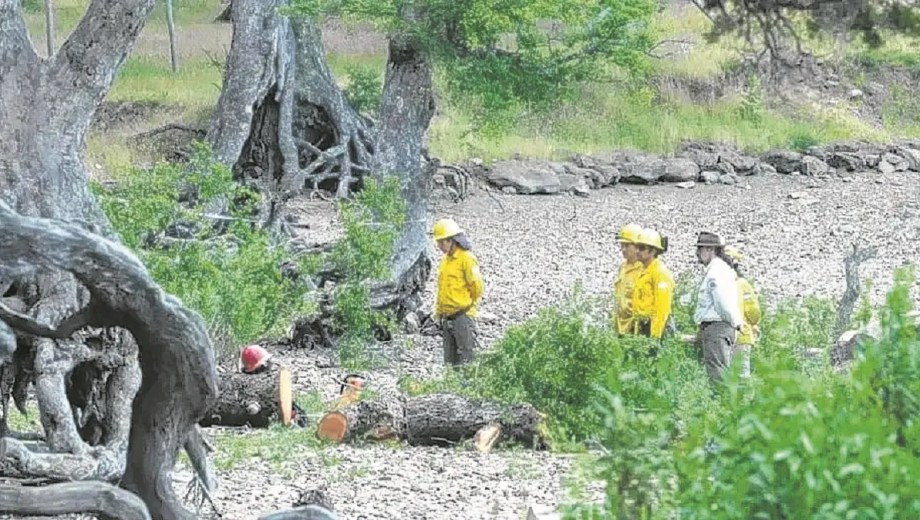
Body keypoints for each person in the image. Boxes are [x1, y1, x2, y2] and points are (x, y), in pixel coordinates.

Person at [431, 217, 485, 366]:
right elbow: (442, 289)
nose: (440, 246)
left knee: (467, 359)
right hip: (447, 318)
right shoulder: (445, 261)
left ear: (453, 240)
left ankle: (467, 388)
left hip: (462, 316)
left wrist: (467, 307)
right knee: (450, 361)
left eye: (443, 242)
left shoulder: (467, 259)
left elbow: (477, 287)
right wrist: (439, 312)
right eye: (438, 242)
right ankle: (451, 387)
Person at [693, 231, 744, 383]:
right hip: (718, 326)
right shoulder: (720, 270)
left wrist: (734, 322)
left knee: (717, 374)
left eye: (700, 249)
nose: (698, 253)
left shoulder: (716, 272)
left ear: (709, 249)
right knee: (718, 370)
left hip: (717, 327)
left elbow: (722, 302)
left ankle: (722, 404)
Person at [630, 228, 675, 340]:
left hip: (657, 328)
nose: (637, 251)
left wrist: (655, 337)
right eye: (636, 247)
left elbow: (662, 309)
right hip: (643, 325)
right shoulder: (643, 271)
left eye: (642, 248)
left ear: (653, 251)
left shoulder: (660, 273)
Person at [724, 246, 761, 378]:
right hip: (742, 336)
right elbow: (754, 312)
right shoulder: (742, 284)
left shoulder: (715, 282)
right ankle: (744, 398)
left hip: (720, 336)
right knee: (742, 375)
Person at [613, 223, 645, 336]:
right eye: (622, 245)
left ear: (637, 247)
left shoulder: (644, 270)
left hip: (635, 330)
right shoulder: (622, 268)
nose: (623, 249)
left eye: (627, 245)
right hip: (620, 327)